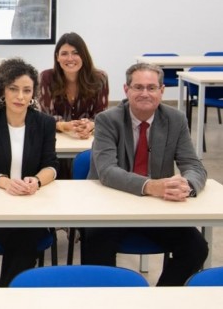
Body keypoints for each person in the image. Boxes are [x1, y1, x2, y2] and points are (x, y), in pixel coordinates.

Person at [82, 62, 208, 286]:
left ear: (162, 91)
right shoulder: (107, 120)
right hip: (111, 206)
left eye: (151, 88)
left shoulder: (175, 119)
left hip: (157, 208)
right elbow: (107, 172)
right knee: (95, 246)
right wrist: (152, 186)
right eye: (138, 87)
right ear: (126, 90)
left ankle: (158, 299)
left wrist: (186, 186)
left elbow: (193, 165)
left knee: (196, 248)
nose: (144, 93)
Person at [0, 58, 58, 287]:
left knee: (25, 235)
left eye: (27, 90)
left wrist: (37, 182)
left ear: (33, 94)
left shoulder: (45, 123)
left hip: (32, 204)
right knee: (24, 239)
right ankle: (11, 296)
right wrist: (4, 182)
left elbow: (52, 165)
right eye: (14, 89)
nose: (20, 96)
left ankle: (7, 296)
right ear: (2, 90)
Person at [37, 32, 109, 139]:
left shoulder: (100, 78)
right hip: (56, 137)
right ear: (57, 57)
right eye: (64, 53)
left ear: (84, 56)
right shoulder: (46, 77)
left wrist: (89, 125)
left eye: (76, 53)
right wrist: (65, 126)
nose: (70, 58)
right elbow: (46, 117)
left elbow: (101, 116)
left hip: (89, 138)